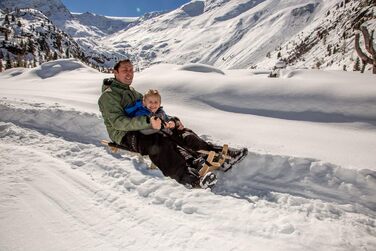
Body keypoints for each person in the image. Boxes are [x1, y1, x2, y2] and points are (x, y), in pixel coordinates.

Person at [98, 59, 246, 188]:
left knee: (178, 132)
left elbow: (154, 110)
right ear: (115, 72)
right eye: (125, 70)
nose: (129, 73)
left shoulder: (133, 92)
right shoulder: (109, 96)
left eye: (131, 69)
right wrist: (147, 121)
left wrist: (172, 121)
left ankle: (216, 153)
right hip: (125, 135)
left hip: (146, 127)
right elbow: (118, 122)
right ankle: (187, 178)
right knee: (157, 142)